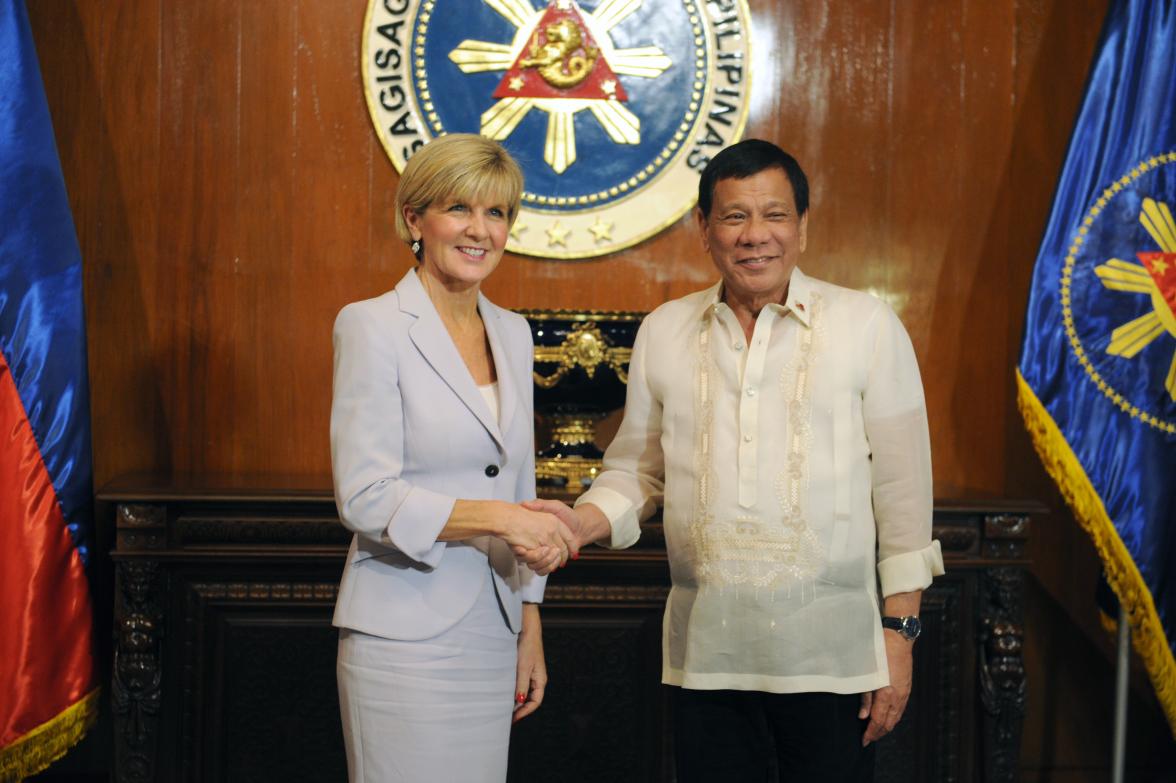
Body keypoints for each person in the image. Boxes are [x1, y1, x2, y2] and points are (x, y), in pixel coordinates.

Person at [525, 139, 945, 781]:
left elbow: (904, 495)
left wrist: (901, 631)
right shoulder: (666, 328)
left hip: (834, 656)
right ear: (704, 228)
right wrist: (579, 524)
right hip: (707, 654)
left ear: (803, 227)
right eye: (734, 217)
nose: (756, 236)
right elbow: (636, 470)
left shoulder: (867, 325)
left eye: (775, 215)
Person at [330, 133, 575, 783]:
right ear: (415, 219)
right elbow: (364, 494)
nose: (480, 230)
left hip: (495, 631)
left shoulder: (514, 333)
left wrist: (531, 622)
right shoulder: (371, 325)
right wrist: (498, 518)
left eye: (497, 213)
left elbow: (518, 484)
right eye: (459, 208)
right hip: (402, 634)